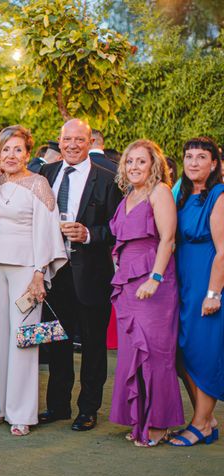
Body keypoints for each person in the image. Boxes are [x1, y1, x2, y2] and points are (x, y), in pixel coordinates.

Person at [38, 118, 121, 431]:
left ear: (90, 143)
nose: (72, 145)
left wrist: (89, 234)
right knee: (56, 341)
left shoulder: (109, 177)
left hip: (92, 273)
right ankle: (57, 406)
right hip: (53, 273)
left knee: (93, 344)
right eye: (67, 139)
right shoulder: (44, 174)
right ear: (59, 141)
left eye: (79, 140)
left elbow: (118, 228)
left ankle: (88, 409)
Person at [0, 125, 67, 435]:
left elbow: (47, 231)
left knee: (24, 339)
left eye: (17, 149)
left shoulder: (39, 184)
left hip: (27, 270)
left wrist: (39, 274)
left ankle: (21, 413)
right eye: (5, 149)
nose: (10, 155)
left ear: (28, 154)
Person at [108, 139, 184, 447]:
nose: (135, 167)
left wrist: (154, 277)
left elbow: (167, 239)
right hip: (127, 282)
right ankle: (139, 419)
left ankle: (158, 424)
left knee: (155, 354)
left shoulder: (160, 192)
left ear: (154, 165)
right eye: (130, 161)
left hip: (154, 281)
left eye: (142, 161)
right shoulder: (128, 194)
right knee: (131, 353)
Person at [170, 137, 224, 446]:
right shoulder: (183, 195)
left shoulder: (219, 195)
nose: (193, 162)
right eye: (189, 156)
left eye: (201, 157)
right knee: (181, 355)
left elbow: (223, 251)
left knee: (203, 353)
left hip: (207, 284)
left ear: (213, 164)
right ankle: (206, 418)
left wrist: (213, 293)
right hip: (183, 284)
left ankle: (201, 423)